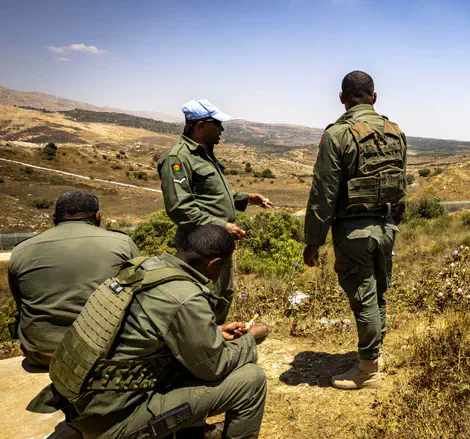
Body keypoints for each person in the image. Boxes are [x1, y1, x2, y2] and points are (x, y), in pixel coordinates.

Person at [29, 224, 270, 439]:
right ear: (215, 264)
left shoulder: (146, 269)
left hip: (83, 403)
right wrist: (251, 339)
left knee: (188, 364)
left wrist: (214, 331)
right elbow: (213, 367)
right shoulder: (185, 296)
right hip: (114, 419)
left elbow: (143, 332)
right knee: (251, 380)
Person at [303, 71, 407, 390]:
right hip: (385, 228)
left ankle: (368, 371)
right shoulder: (394, 132)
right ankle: (373, 354)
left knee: (364, 298)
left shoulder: (337, 135)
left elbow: (324, 192)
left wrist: (313, 241)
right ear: (373, 98)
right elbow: (400, 187)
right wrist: (392, 224)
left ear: (342, 98)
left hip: (353, 233)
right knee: (378, 294)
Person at [157, 99, 273, 325]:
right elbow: (180, 208)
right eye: (217, 124)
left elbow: (211, 194)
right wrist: (222, 225)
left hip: (218, 242)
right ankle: (200, 350)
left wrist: (247, 198)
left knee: (223, 296)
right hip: (199, 247)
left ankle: (214, 348)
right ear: (200, 126)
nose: (221, 129)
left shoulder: (204, 154)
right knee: (204, 300)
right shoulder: (178, 158)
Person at [7, 191, 140, 369]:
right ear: (98, 216)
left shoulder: (21, 250)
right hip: (106, 351)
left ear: (55, 219)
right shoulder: (123, 243)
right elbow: (139, 295)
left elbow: (20, 304)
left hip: (42, 354)